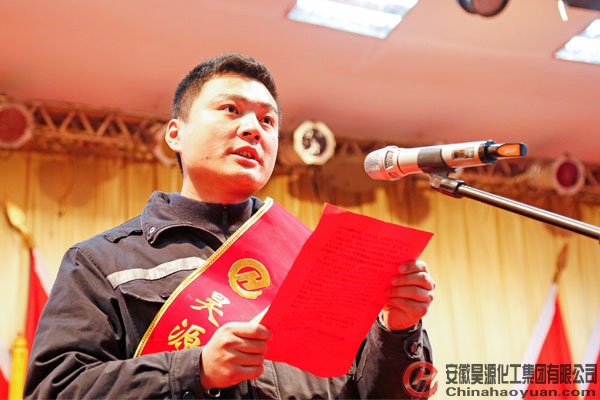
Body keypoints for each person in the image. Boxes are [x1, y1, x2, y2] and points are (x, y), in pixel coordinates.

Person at [24, 53, 436, 399]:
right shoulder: (102, 261)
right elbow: (54, 390)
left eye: (268, 121)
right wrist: (195, 368)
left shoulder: (319, 261)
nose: (253, 129)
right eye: (231, 110)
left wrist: (398, 329)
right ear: (175, 134)